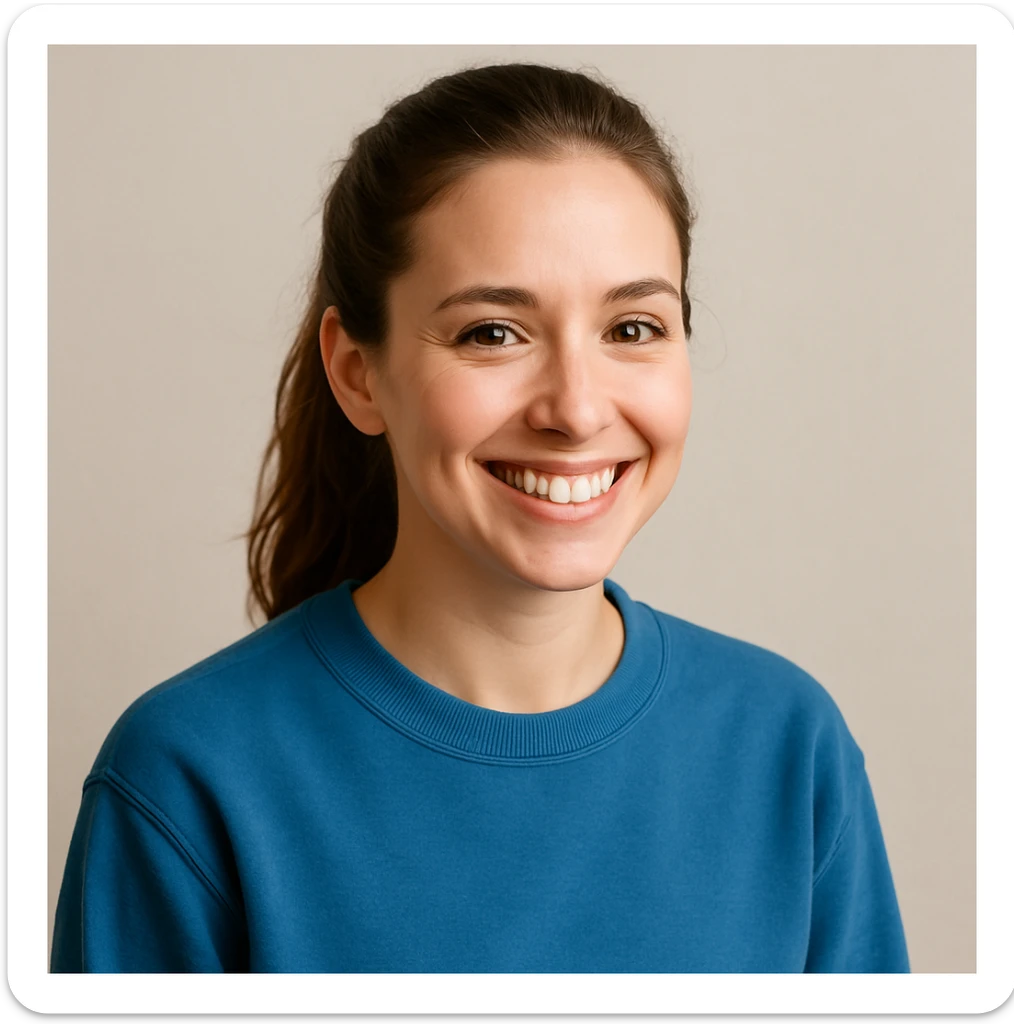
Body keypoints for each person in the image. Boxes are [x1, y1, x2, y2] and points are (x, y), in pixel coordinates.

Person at [50, 62, 910, 973]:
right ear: (357, 373)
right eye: (492, 333)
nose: (576, 409)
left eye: (632, 329)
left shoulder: (789, 750)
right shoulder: (187, 777)